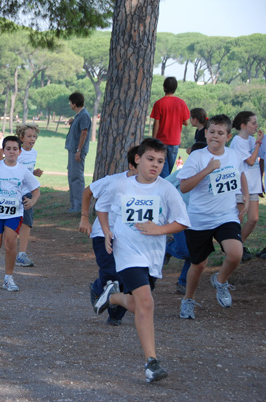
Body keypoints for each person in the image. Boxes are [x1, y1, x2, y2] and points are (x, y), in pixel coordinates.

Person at [94, 138, 190, 383]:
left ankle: (113, 296)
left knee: (142, 306)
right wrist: (107, 231)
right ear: (138, 159)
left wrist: (159, 230)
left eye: (160, 161)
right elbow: (102, 207)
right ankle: (151, 362)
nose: (155, 165)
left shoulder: (166, 189)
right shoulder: (120, 185)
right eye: (150, 159)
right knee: (146, 302)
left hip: (152, 256)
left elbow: (182, 222)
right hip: (126, 251)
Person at [177, 114, 248, 319]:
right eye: (211, 132)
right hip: (200, 218)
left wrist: (243, 199)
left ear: (228, 135)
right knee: (198, 265)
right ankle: (188, 300)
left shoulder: (234, 155)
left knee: (235, 253)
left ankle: (220, 280)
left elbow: (240, 174)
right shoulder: (198, 157)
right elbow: (184, 186)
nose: (214, 136)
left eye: (220, 133)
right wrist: (207, 170)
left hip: (226, 215)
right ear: (206, 133)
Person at [79, 145, 139, 326]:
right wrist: (84, 218)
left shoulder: (153, 186)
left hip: (132, 237)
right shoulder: (113, 181)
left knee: (126, 277)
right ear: (131, 165)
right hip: (103, 232)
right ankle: (98, 287)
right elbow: (88, 192)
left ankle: (115, 315)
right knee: (111, 273)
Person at [0, 135, 41, 292]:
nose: (12, 152)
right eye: (8, 149)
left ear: (20, 152)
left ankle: (8, 278)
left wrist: (32, 201)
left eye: (15, 149)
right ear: (3, 151)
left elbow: (36, 190)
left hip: (15, 213)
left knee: (11, 243)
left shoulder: (23, 170)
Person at [164, 142, 207, 295]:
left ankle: (183, 282)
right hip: (178, 219)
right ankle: (168, 247)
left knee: (195, 253)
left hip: (198, 220)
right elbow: (164, 185)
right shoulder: (182, 173)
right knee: (185, 251)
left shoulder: (209, 174)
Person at [229, 111, 264, 262]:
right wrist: (258, 143)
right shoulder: (237, 141)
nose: (256, 126)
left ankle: (238, 245)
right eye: (253, 123)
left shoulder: (251, 139)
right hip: (242, 187)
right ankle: (234, 249)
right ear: (243, 125)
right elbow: (250, 161)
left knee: (254, 219)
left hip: (254, 185)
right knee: (239, 218)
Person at [15, 123, 44, 267]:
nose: (32, 139)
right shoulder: (16, 152)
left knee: (27, 223)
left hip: (26, 192)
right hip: (13, 192)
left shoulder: (34, 153)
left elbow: (26, 172)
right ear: (21, 138)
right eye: (29, 136)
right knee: (9, 222)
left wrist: (34, 173)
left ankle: (21, 254)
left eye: (34, 136)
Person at [150, 77, 190, 177]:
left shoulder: (159, 103)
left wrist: (153, 138)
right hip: (174, 142)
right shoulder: (181, 103)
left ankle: (163, 188)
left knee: (162, 169)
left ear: (164, 88)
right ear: (175, 88)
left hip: (160, 141)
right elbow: (186, 122)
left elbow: (156, 123)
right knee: (168, 169)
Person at [65, 92, 91, 213]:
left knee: (77, 177)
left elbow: (84, 133)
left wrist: (78, 150)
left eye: (71, 103)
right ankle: (73, 204)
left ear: (75, 103)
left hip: (77, 151)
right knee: (71, 176)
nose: (70, 105)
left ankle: (79, 206)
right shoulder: (79, 116)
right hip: (72, 150)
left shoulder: (84, 115)